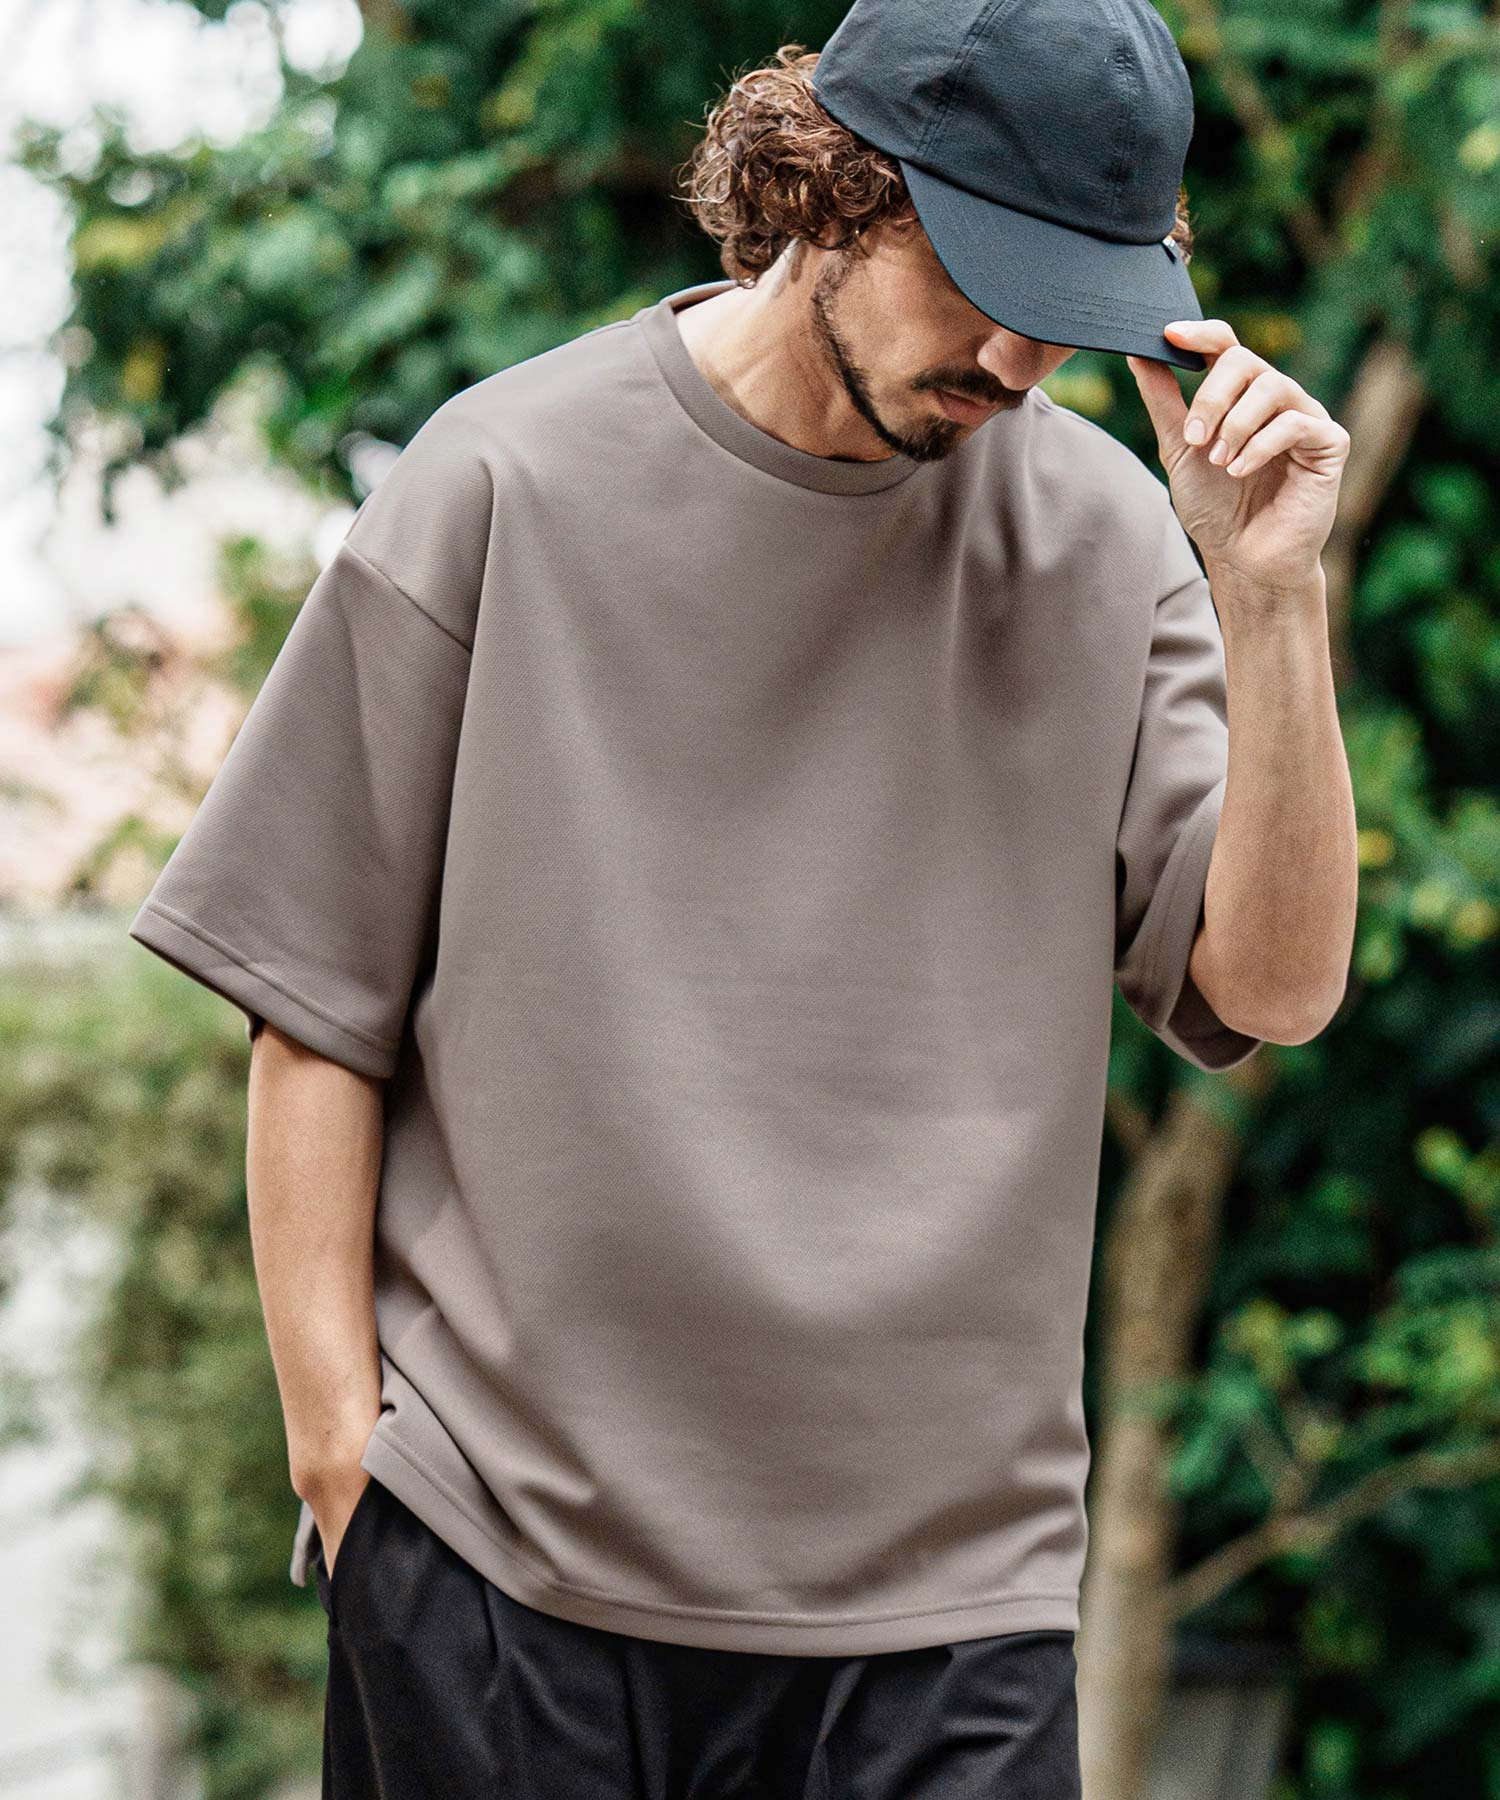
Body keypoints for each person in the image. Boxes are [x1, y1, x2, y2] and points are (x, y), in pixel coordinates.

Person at [127, 0, 1357, 1792]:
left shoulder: (1114, 542)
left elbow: (1273, 989)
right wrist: (344, 1463)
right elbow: (311, 1009)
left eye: (1072, 310)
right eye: (987, 277)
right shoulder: (502, 479)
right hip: (502, 1573)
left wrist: (1270, 595)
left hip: (953, 1613)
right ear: (833, 188)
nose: (1018, 357)